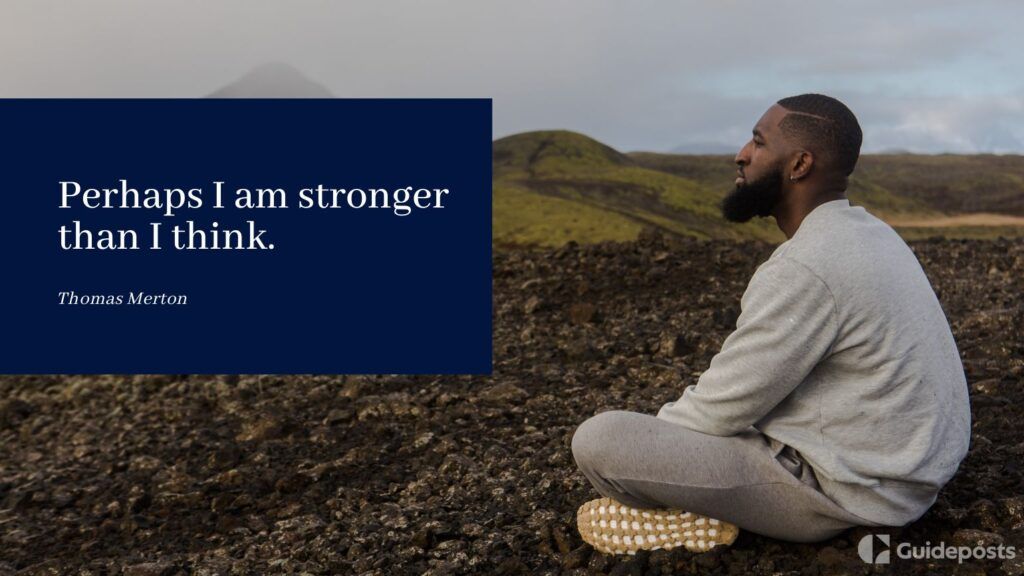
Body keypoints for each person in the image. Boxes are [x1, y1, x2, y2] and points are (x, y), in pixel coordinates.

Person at [571, 93, 971, 555]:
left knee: (600, 441)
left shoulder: (806, 266)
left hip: (846, 494)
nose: (741, 154)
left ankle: (692, 520)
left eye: (759, 143)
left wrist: (656, 452)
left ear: (799, 164)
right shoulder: (871, 234)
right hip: (908, 475)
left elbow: (716, 412)